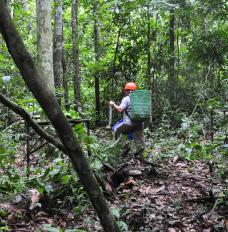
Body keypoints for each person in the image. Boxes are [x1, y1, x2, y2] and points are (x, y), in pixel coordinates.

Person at [109, 82, 145, 154]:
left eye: (126, 90)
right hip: (139, 123)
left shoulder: (126, 98)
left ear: (127, 90)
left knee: (115, 130)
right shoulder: (140, 99)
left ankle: (124, 148)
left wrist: (113, 104)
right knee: (139, 139)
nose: (125, 91)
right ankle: (142, 154)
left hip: (129, 123)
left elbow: (120, 109)